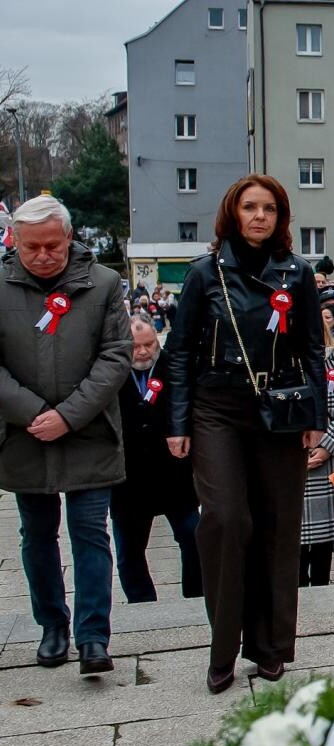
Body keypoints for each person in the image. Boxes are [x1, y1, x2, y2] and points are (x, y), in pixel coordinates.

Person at [165, 174, 326, 694]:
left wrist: (314, 418)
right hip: (217, 408)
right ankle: (222, 648)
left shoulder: (296, 273)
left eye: (270, 209)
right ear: (232, 213)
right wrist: (177, 422)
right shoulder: (202, 273)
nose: (260, 216)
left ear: (281, 219)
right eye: (250, 207)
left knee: (279, 527)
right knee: (227, 519)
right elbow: (180, 351)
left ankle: (272, 646)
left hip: (280, 409)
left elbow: (311, 350)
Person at [0, 195, 132, 674]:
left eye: (52, 245)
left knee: (90, 535)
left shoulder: (103, 284)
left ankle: (94, 636)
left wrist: (69, 415)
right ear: (15, 242)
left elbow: (116, 356)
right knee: (36, 535)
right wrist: (34, 412)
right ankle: (52, 625)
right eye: (31, 247)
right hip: (23, 434)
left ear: (69, 237)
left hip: (90, 432)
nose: (42, 256)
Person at [111, 314, 202, 603]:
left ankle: (197, 593)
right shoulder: (111, 371)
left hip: (173, 471)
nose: (143, 352)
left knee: (193, 538)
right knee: (129, 550)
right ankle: (141, 602)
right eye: (136, 347)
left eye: (149, 345)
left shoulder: (171, 366)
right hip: (128, 476)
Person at [299, 323, 334, 586]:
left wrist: (326, 446)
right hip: (292, 458)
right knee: (293, 538)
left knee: (322, 540)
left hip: (328, 459)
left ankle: (322, 587)